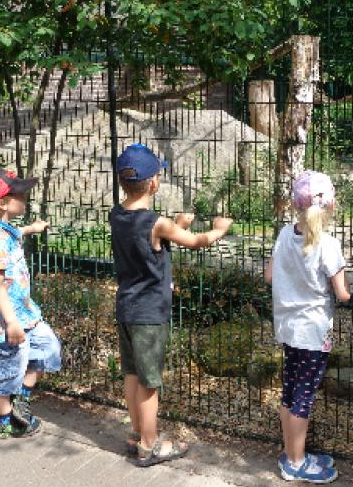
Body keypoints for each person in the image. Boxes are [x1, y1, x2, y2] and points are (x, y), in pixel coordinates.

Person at [108, 143, 233, 467]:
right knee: (150, 383)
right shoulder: (157, 223)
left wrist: (178, 225)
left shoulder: (117, 215)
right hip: (149, 314)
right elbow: (196, 242)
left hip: (126, 307)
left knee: (132, 374)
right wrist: (218, 230)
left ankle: (137, 435)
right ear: (153, 183)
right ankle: (150, 446)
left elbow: (148, 249)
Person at [265, 170, 351, 484]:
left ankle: (291, 452)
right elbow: (342, 293)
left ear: (294, 205)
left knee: (290, 392)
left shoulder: (284, 235)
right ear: (331, 206)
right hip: (313, 333)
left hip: (288, 328)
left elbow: (270, 276)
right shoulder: (329, 245)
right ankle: (296, 463)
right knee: (302, 397)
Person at [0, 169, 60, 439]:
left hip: (26, 314)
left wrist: (31, 229)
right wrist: (11, 322)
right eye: (19, 195)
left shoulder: (1, 231)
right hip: (5, 321)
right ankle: (5, 423)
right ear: (2, 203)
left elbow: (13, 235)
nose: (24, 198)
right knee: (4, 374)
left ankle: (20, 400)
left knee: (47, 348)